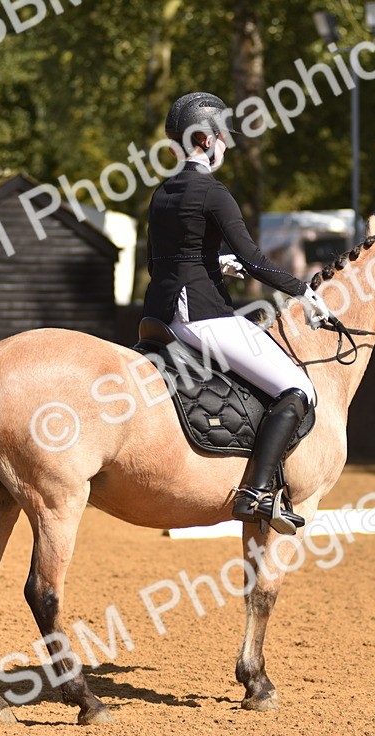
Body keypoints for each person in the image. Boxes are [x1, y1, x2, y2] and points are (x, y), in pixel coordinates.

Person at [144, 91, 333, 534]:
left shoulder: (162, 192)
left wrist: (215, 266)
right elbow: (254, 260)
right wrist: (304, 290)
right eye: (223, 137)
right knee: (296, 386)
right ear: (207, 141)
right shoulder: (213, 192)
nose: (227, 144)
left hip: (159, 314)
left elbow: (162, 263)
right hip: (202, 317)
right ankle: (257, 493)